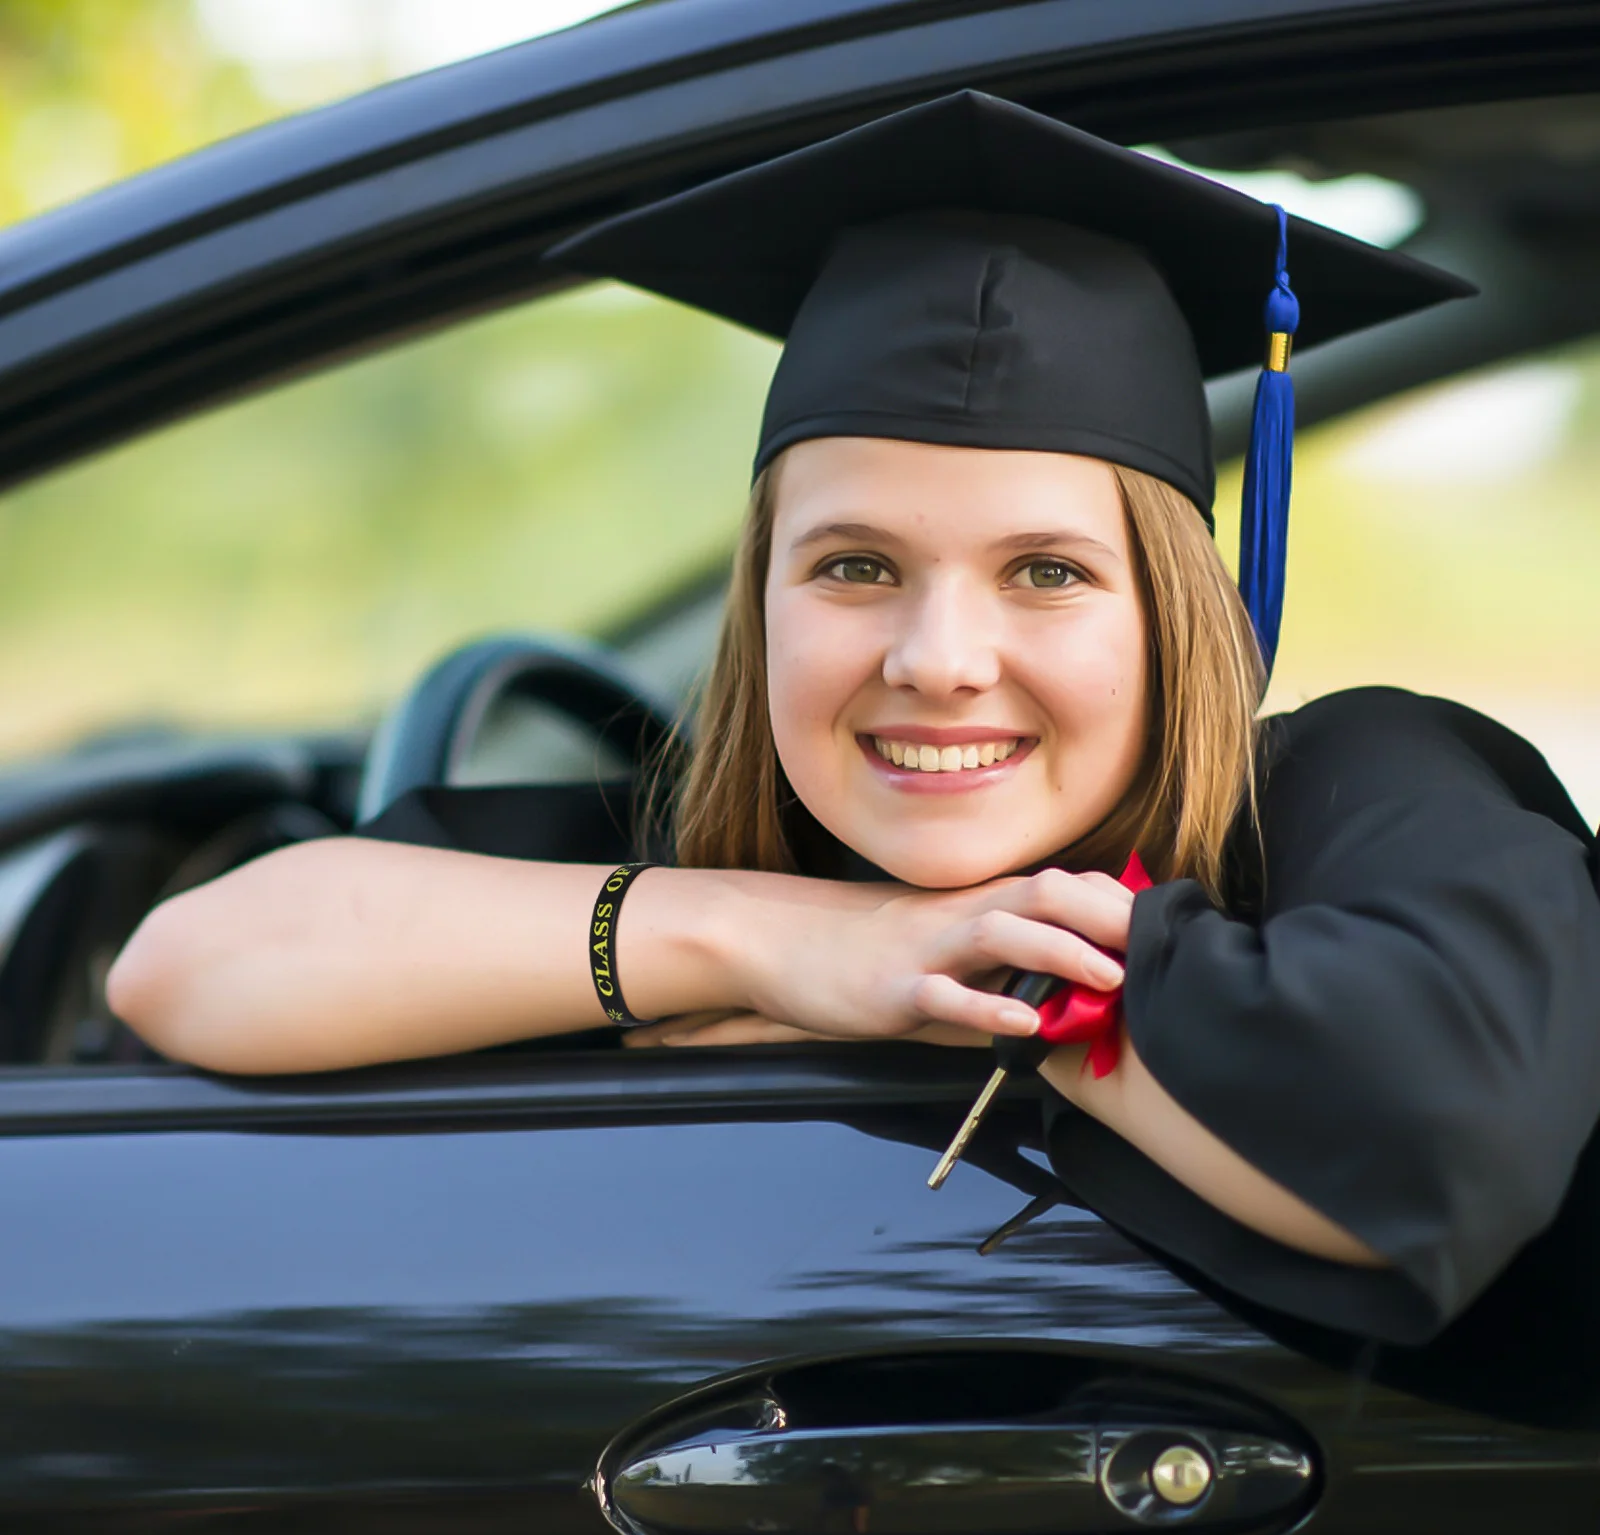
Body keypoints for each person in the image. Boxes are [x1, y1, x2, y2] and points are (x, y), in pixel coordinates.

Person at [106, 93, 1600, 1348]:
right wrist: (795, 942)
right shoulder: (696, 847)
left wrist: (980, 995)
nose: (941, 659)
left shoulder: (1357, 789)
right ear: (761, 603)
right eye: (857, 566)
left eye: (1047, 574)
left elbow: (1439, 1133)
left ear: (1176, 612)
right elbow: (196, 965)